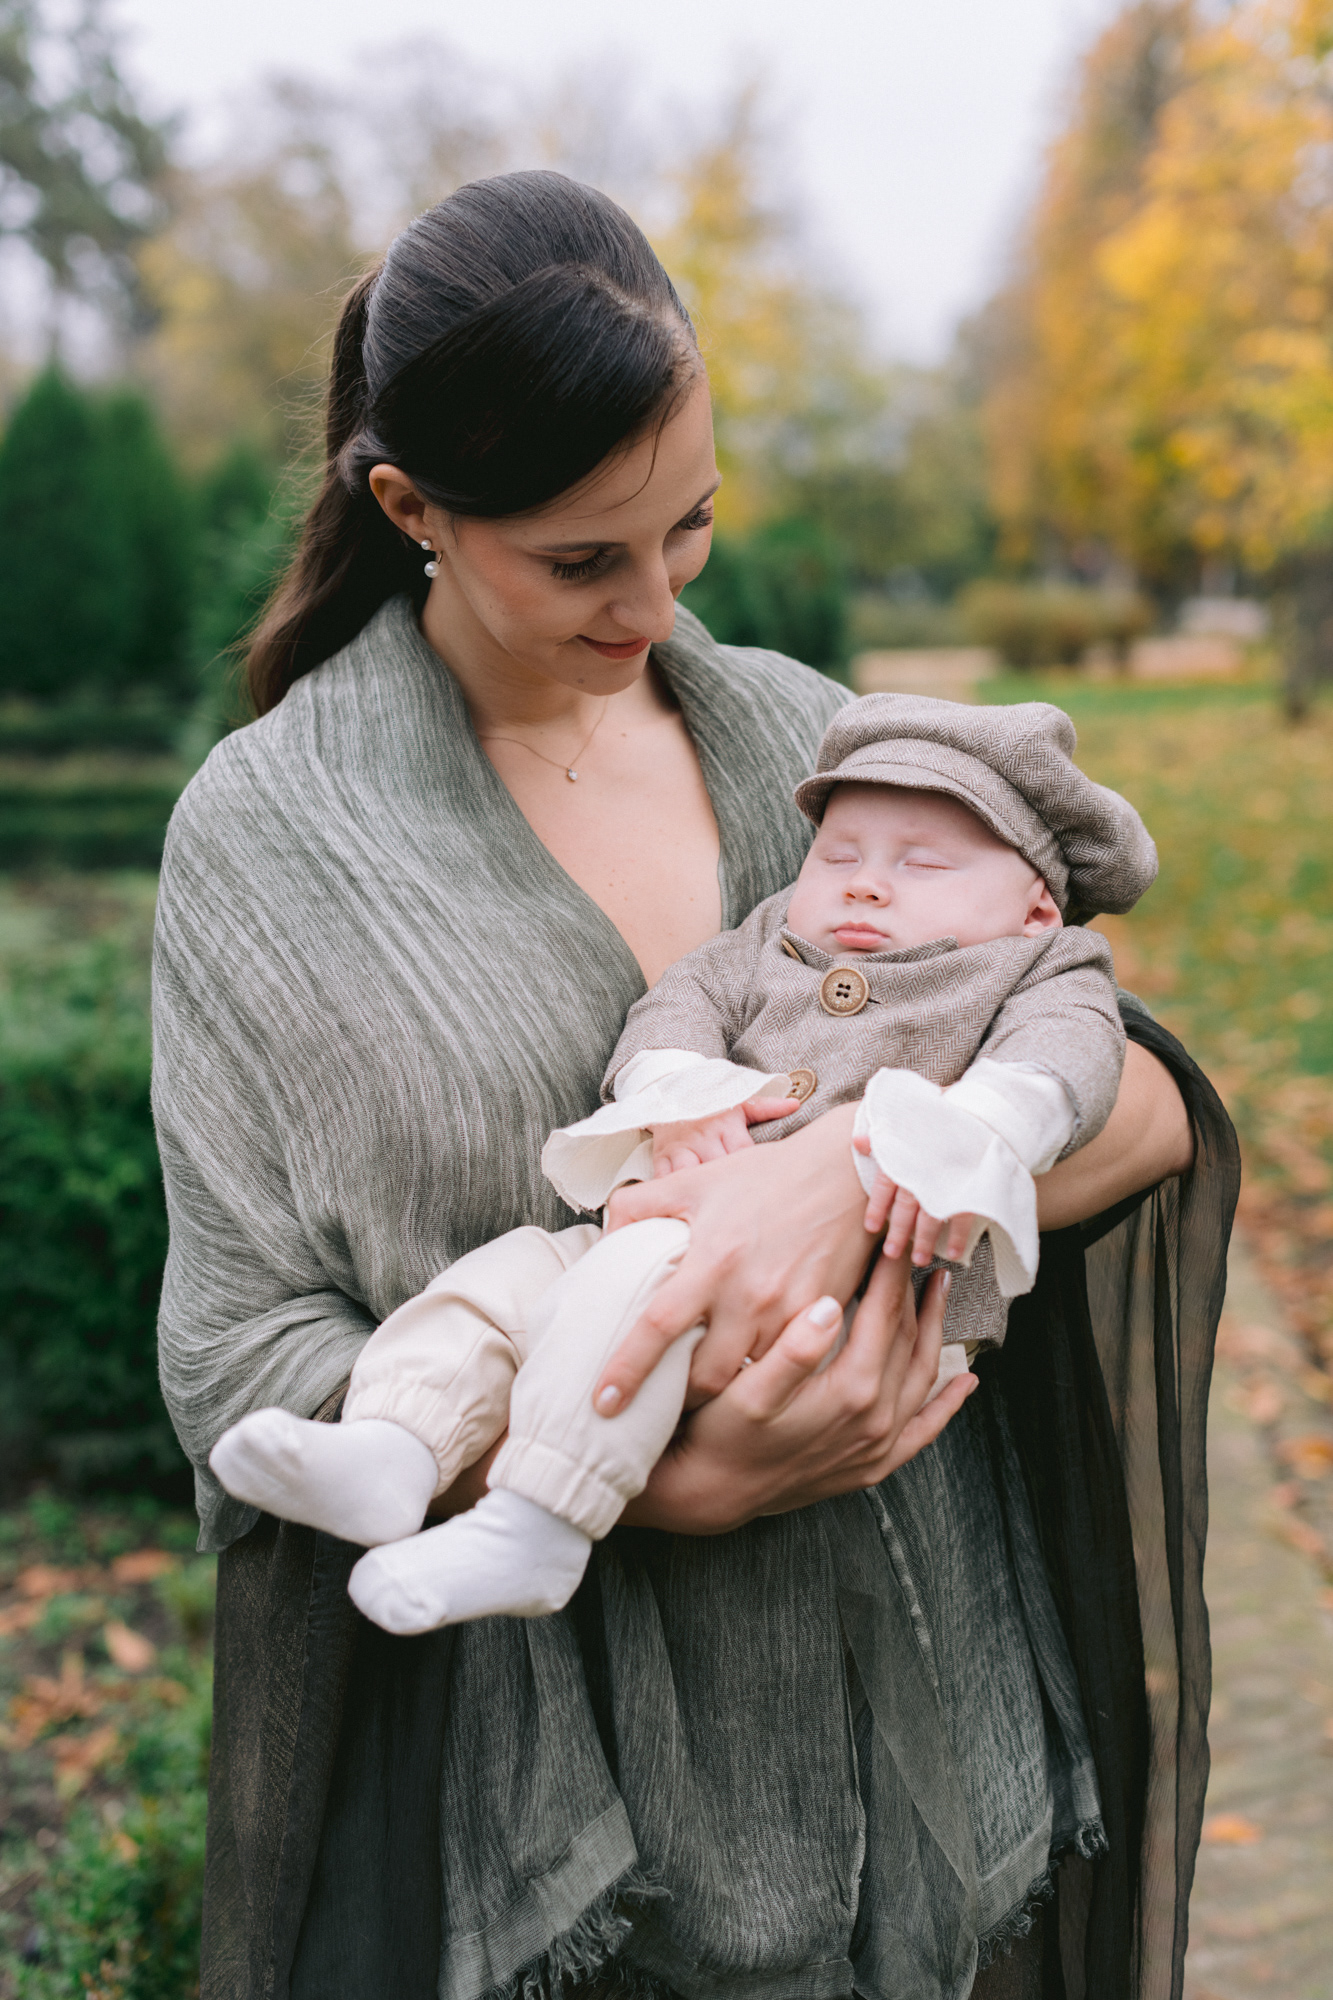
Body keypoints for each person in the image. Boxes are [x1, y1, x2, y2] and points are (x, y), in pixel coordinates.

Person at [151, 172, 1235, 2000]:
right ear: (410, 510)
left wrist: (841, 1166)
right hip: (547, 1793)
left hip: (922, 1715)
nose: (654, 606)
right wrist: (651, 1485)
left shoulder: (820, 752)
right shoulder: (267, 840)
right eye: (585, 560)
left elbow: (1136, 1096)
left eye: (692, 527)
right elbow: (236, 1356)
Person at [205, 692, 1159, 1643]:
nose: (866, 886)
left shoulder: (1045, 968)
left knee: (634, 1284)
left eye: (922, 864)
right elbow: (680, 1002)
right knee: (512, 1279)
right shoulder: (770, 938)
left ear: (1036, 907)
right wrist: (683, 1091)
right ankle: (398, 1442)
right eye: (838, 856)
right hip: (672, 1228)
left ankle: (539, 1519)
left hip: (857, 1302)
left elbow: (1065, 1066)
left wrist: (950, 1134)